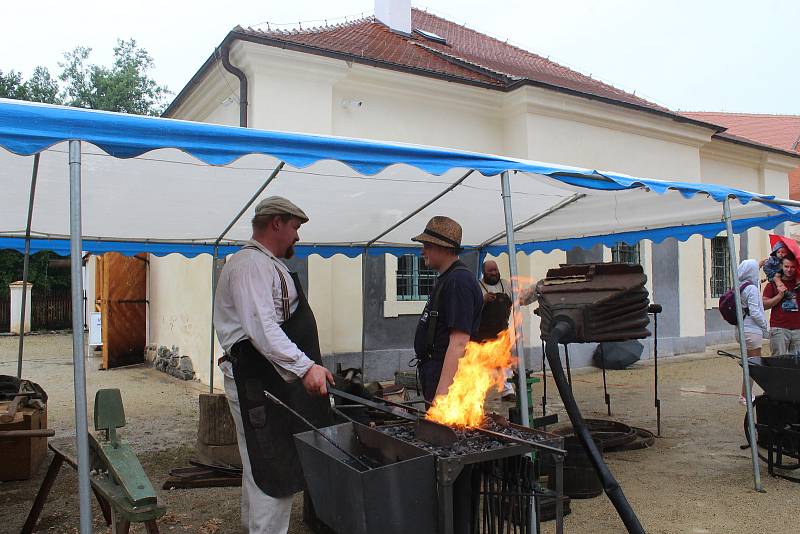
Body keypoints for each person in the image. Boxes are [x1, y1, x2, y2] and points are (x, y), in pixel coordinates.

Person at [214, 196, 333, 534]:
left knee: (260, 465)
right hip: (257, 381)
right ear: (276, 223)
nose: (297, 236)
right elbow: (262, 330)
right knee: (273, 467)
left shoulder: (269, 264)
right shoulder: (249, 265)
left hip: (270, 381)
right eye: (294, 227)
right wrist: (305, 367)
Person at [412, 216, 483, 402]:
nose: (422, 251)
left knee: (446, 430)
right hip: (436, 370)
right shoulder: (448, 278)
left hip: (448, 376)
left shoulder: (458, 281)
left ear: (443, 248)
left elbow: (460, 341)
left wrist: (442, 394)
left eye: (427, 246)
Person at [475, 260, 538, 402]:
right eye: (490, 271)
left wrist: (537, 289)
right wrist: (482, 300)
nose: (493, 273)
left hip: (501, 334)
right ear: (484, 272)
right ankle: (476, 394)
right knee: (479, 367)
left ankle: (507, 391)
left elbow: (521, 299)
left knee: (505, 364)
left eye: (495, 270)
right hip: (481, 335)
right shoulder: (478, 287)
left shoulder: (506, 285)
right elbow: (469, 309)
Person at [737, 259, 769, 405]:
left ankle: (745, 394)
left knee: (749, 363)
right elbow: (755, 313)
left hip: (741, 329)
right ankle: (745, 395)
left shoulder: (739, 286)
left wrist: (761, 263)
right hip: (752, 331)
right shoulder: (752, 289)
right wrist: (765, 327)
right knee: (754, 365)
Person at [763, 256, 800, 357]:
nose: (789, 269)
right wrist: (779, 296)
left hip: (798, 329)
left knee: (797, 364)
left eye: (792, 267)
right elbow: (764, 305)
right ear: (781, 266)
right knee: (778, 361)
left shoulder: (798, 283)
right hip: (779, 329)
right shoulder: (772, 284)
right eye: (786, 266)